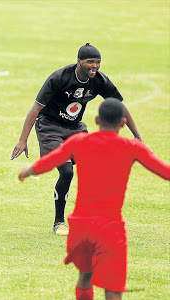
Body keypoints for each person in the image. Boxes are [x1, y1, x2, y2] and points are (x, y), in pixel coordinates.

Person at [18, 99, 170, 300]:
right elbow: (164, 171)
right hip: (109, 227)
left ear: (97, 120)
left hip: (81, 227)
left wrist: (28, 170)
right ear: (123, 123)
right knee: (113, 289)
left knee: (85, 277)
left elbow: (50, 161)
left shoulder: (79, 141)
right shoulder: (131, 147)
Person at [11, 43, 142, 236]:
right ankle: (59, 222)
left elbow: (119, 107)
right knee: (66, 171)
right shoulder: (59, 78)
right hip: (50, 127)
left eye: (98, 62)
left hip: (75, 128)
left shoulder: (100, 81)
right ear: (79, 61)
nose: (94, 66)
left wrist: (137, 136)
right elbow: (35, 109)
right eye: (90, 62)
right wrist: (23, 140)